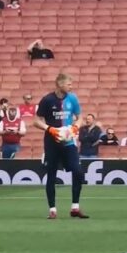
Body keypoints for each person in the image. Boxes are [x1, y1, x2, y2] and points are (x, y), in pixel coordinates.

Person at [34, 73, 88, 219]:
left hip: (69, 142)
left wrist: (75, 127)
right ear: (60, 84)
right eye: (69, 84)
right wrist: (50, 129)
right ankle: (52, 210)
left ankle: (75, 207)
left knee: (78, 172)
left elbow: (80, 117)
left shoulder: (73, 98)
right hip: (52, 142)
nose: (71, 86)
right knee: (51, 174)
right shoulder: (47, 100)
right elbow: (36, 121)